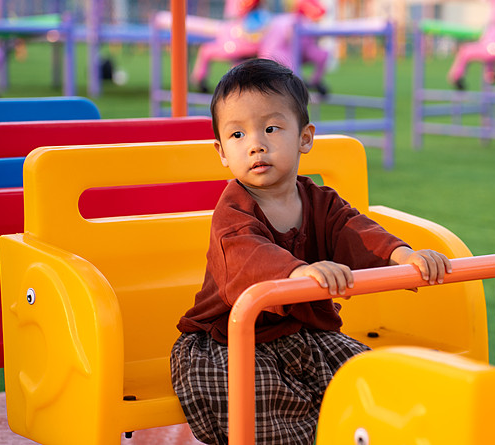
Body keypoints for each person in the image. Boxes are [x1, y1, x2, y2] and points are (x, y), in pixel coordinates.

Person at [171, 58, 451, 445]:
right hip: (227, 340)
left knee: (363, 376)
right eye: (238, 135)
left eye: (271, 128)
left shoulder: (321, 201)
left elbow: (356, 230)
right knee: (261, 403)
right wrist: (296, 273)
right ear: (221, 151)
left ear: (304, 138)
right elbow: (247, 257)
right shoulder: (232, 211)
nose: (256, 144)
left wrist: (402, 255)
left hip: (304, 333)